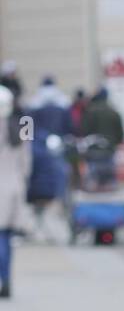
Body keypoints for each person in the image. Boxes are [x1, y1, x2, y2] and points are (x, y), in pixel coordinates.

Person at [25, 76, 71, 240]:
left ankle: (39, 224)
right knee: (58, 188)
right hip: (55, 152)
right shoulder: (63, 104)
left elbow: (26, 130)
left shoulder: (33, 105)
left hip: (37, 152)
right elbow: (69, 128)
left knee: (38, 190)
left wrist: (28, 143)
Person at [0, 84, 32, 297]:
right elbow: (27, 162)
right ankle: (7, 278)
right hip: (14, 187)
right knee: (7, 236)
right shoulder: (23, 124)